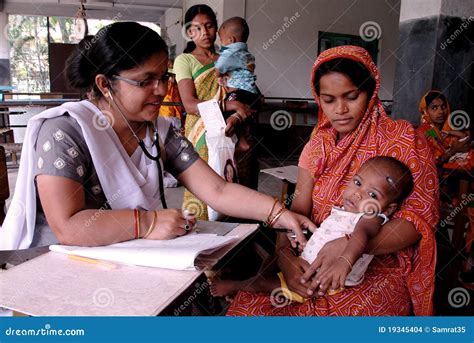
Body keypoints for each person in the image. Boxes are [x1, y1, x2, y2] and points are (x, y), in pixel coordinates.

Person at [0, 22, 315, 250]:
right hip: (58, 258)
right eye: (145, 81)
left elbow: (217, 189)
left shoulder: (160, 132)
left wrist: (279, 213)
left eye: (164, 77)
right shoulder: (64, 132)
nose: (162, 90)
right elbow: (68, 227)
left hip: (129, 253)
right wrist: (146, 223)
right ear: (104, 84)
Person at [226, 45, 439, 316]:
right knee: (250, 308)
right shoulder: (318, 144)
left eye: (351, 96)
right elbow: (298, 210)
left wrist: (350, 248)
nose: (340, 110)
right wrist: (286, 258)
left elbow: (417, 222)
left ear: (371, 91)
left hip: (374, 267)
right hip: (309, 254)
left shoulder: (405, 141)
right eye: (328, 100)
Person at [211, 156, 414, 301]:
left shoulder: (370, 217)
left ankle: (237, 285)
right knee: (270, 262)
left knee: (265, 284)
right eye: (357, 183)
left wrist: (344, 261)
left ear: (388, 208)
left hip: (321, 280)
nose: (358, 194)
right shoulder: (351, 209)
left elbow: (361, 236)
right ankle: (253, 276)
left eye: (373, 195)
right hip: (310, 264)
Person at [174, 4, 258, 220]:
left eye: (209, 26)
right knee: (204, 190)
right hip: (202, 134)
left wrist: (240, 108)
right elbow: (190, 104)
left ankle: (236, 240)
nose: (205, 33)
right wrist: (231, 105)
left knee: (236, 185)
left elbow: (248, 90)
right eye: (197, 29)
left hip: (233, 129)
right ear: (189, 32)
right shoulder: (185, 60)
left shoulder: (229, 55)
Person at [215, 16, 260, 154]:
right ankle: (242, 140)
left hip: (240, 92)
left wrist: (218, 73)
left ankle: (241, 141)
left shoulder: (230, 53)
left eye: (221, 40)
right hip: (251, 92)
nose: (221, 44)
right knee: (241, 115)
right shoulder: (247, 54)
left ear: (231, 40)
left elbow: (219, 68)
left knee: (224, 112)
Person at [416, 90, 470, 167]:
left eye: (443, 106)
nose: (441, 111)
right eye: (434, 108)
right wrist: (453, 151)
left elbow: (465, 139)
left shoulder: (450, 129)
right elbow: (430, 164)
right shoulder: (425, 132)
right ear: (426, 111)